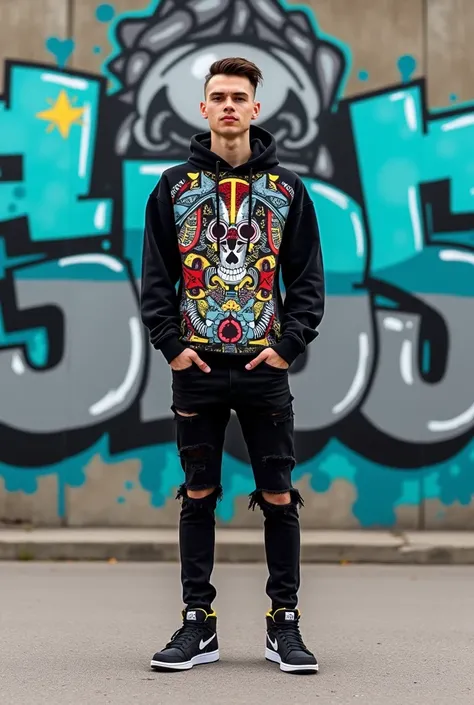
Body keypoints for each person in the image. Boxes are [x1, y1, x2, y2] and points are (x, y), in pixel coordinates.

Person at [140, 57, 325, 675]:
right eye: (216, 95)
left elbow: (306, 280)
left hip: (263, 367)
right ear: (203, 108)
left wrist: (287, 345)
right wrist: (172, 345)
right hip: (196, 365)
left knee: (277, 493)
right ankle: (199, 622)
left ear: (254, 108)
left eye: (237, 96)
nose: (226, 105)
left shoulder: (289, 191)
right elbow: (156, 277)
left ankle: (285, 623)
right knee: (198, 493)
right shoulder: (171, 187)